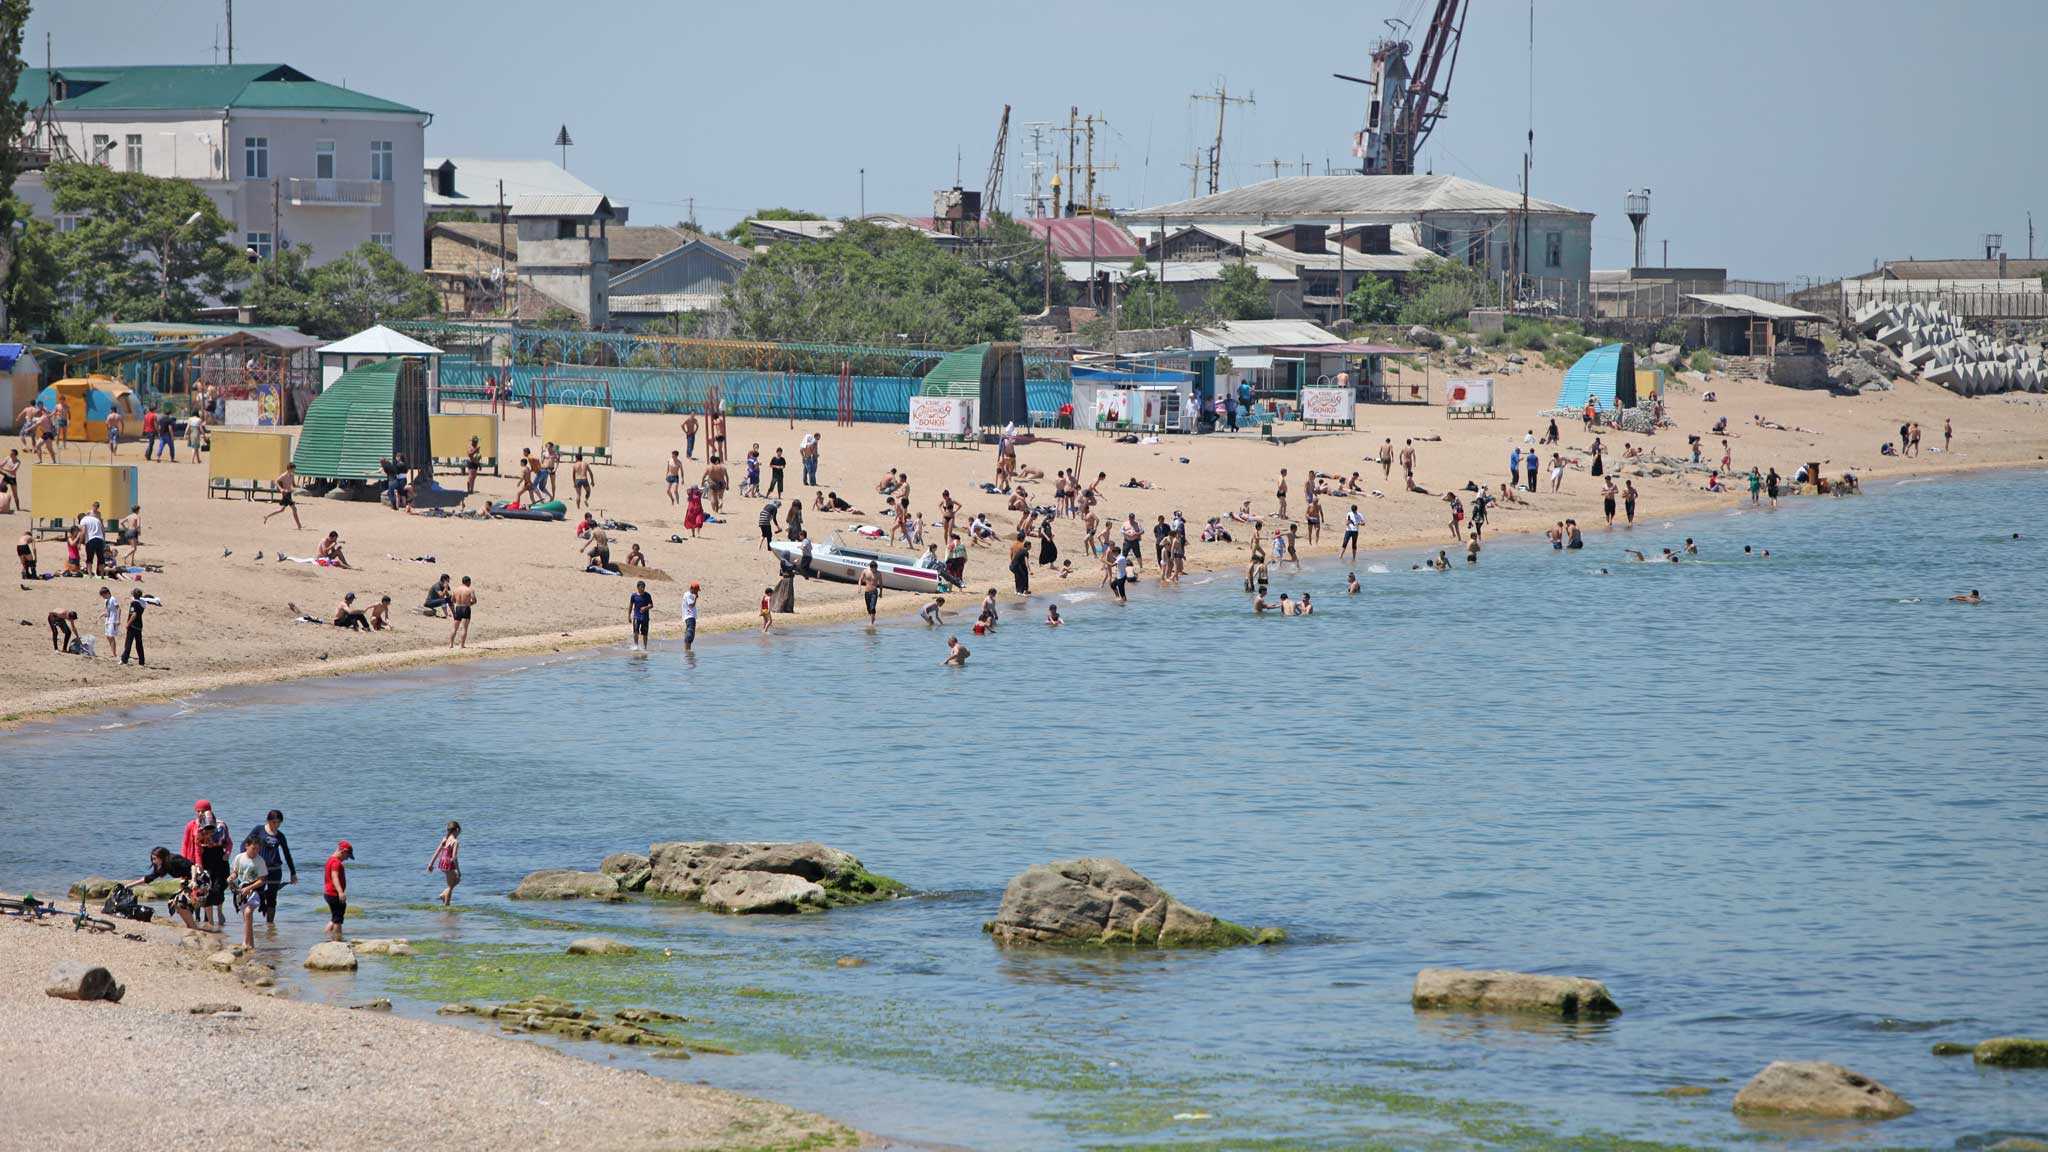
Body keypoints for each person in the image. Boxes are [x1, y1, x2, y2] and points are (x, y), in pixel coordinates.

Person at [252, 809, 297, 926]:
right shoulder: (259, 830)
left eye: (278, 822)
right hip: (260, 869)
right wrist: (245, 859)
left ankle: (270, 926)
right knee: (257, 894)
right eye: (274, 822)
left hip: (275, 870)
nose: (276, 825)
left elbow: (287, 854)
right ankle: (260, 906)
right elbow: (245, 844)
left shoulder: (280, 836)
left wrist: (293, 873)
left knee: (272, 898)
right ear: (268, 821)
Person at [229, 832, 268, 949]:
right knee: (246, 917)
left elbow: (262, 880)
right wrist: (231, 878)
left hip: (255, 891)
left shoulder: (260, 861)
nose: (255, 851)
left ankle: (245, 943)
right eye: (253, 848)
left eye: (258, 849)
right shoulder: (239, 857)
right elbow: (235, 872)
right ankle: (251, 944)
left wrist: (249, 888)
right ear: (246, 846)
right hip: (241, 891)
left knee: (248, 912)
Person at [322, 840, 353, 942]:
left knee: (335, 918)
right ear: (343, 851)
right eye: (347, 855)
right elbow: (334, 877)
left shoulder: (330, 860)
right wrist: (340, 892)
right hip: (334, 894)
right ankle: (337, 941)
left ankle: (326, 937)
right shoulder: (336, 862)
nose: (347, 858)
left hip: (328, 893)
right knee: (338, 920)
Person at [428, 822, 461, 906]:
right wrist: (458, 870)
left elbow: (437, 851)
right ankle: (446, 905)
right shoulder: (455, 841)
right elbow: (454, 857)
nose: (459, 833)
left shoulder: (444, 839)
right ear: (456, 830)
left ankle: (444, 894)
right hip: (449, 864)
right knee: (450, 886)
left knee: (456, 881)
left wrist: (430, 864)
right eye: (459, 831)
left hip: (442, 863)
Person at [121, 587, 147, 665]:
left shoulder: (134, 603)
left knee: (128, 643)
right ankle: (141, 661)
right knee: (139, 644)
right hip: (139, 625)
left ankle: (124, 659)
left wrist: (128, 623)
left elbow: (134, 614)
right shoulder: (142, 603)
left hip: (133, 625)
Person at [449, 576, 476, 648]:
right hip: (465, 608)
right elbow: (474, 600)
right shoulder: (470, 590)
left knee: (455, 628)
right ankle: (462, 645)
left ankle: (451, 644)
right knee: (464, 628)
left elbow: (452, 600)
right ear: (468, 582)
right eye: (470, 582)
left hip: (458, 608)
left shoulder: (456, 590)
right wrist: (470, 604)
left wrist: (458, 602)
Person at [80, 502, 106, 575]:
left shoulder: (98, 514)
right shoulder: (89, 512)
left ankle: (96, 574)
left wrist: (80, 542)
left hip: (93, 537)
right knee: (99, 557)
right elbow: (102, 529)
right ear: (92, 506)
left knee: (93, 557)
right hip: (98, 537)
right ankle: (95, 574)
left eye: (97, 506)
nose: (96, 507)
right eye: (95, 506)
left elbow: (84, 530)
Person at [628, 580, 653, 650]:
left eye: (643, 587)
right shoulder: (634, 596)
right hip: (636, 616)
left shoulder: (647, 595)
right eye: (641, 587)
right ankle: (636, 646)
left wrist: (646, 607)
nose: (642, 589)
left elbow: (651, 605)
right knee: (636, 631)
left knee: (645, 633)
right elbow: (630, 606)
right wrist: (629, 616)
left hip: (645, 617)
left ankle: (645, 647)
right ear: (637, 587)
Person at [859, 560, 882, 624]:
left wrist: (881, 592)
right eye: (874, 568)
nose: (875, 569)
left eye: (876, 568)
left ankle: (871, 623)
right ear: (871, 567)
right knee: (868, 608)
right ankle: (873, 617)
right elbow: (860, 579)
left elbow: (881, 583)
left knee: (872, 607)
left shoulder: (878, 573)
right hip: (867, 592)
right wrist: (859, 587)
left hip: (874, 592)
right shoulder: (865, 571)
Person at [682, 581, 700, 650]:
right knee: (689, 636)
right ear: (692, 589)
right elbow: (691, 605)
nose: (697, 592)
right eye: (696, 591)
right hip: (690, 617)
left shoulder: (687, 594)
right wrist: (695, 598)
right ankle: (687, 652)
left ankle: (687, 652)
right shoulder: (689, 595)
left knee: (689, 635)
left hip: (689, 617)